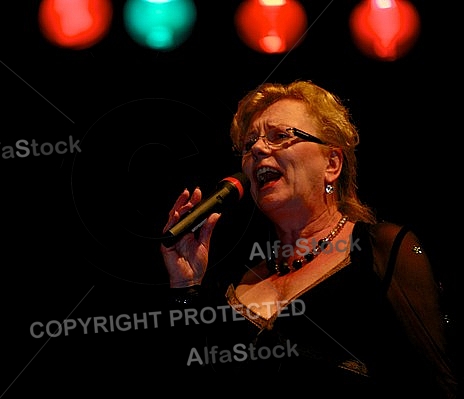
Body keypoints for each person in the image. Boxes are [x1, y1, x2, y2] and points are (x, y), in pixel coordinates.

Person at [159, 80, 458, 397]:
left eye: (280, 137)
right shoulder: (235, 280)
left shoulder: (383, 249)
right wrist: (185, 287)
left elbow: (441, 384)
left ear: (332, 163)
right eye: (249, 145)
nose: (258, 149)